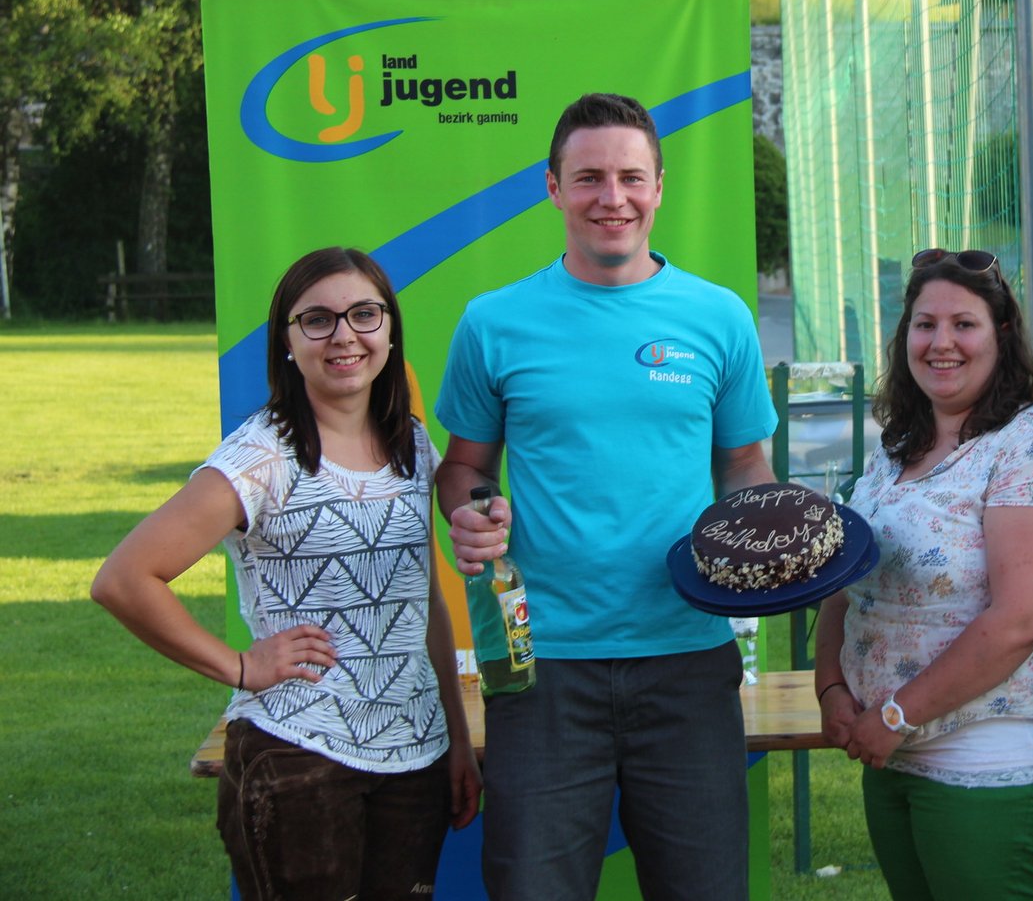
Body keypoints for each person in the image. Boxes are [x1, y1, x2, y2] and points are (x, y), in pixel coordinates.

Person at [435, 92, 777, 901]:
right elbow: (462, 467)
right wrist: (474, 509)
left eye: (630, 177)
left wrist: (768, 535)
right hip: (541, 666)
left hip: (688, 657)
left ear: (659, 186)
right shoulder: (494, 323)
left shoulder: (719, 318)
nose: (611, 198)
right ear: (553, 188)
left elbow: (744, 466)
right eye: (588, 178)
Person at [91, 247, 480, 900]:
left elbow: (426, 601)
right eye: (317, 320)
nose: (344, 336)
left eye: (364, 314)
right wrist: (241, 667)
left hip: (416, 758)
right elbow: (124, 578)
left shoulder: (412, 444)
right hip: (300, 757)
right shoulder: (261, 457)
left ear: (389, 330)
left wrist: (458, 739)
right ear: (287, 342)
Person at [814, 247, 1033, 901]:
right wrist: (831, 687)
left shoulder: (1030, 446)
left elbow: (1020, 620)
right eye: (925, 324)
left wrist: (895, 714)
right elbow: (846, 580)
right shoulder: (895, 449)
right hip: (891, 750)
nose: (941, 342)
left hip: (991, 754)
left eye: (963, 324)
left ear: (1001, 335)